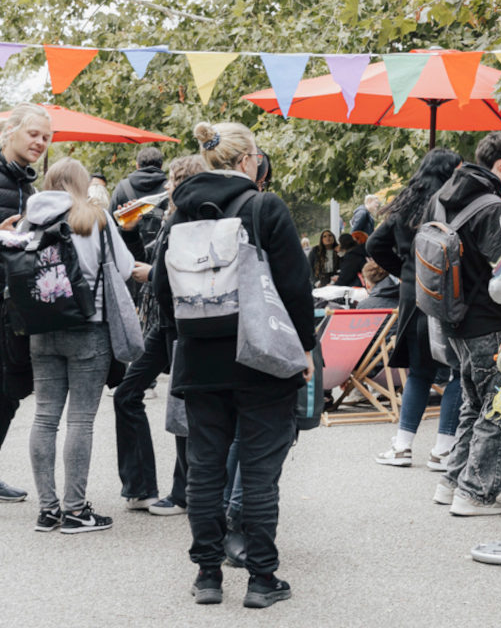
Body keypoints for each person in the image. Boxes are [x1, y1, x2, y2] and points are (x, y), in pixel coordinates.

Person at [153, 121, 315, 609]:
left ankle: (207, 576)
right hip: (262, 359)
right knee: (259, 471)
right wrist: (304, 351)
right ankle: (263, 580)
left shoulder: (178, 213)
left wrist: (188, 341)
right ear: (249, 160)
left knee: (204, 471)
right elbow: (295, 287)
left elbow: (162, 291)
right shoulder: (265, 207)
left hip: (201, 359)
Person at [23, 158, 135, 533]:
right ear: (83, 183)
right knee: (81, 420)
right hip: (89, 326)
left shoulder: (30, 219)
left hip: (42, 328)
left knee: (44, 417)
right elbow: (122, 267)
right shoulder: (96, 219)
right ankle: (75, 510)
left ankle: (47, 509)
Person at [432, 132, 501, 516]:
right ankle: (476, 493)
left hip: (452, 320)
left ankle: (450, 482)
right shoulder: (492, 208)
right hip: (487, 320)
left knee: (473, 403)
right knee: (497, 407)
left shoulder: (443, 199)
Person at [366, 149, 465, 470]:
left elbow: (374, 245)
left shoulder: (406, 202)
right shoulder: (452, 202)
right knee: (456, 370)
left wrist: (406, 268)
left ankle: (403, 447)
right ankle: (442, 450)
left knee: (419, 372)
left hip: (412, 295)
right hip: (446, 293)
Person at [123, 155, 209, 518]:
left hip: (179, 320)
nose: (167, 186)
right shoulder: (168, 218)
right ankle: (141, 487)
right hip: (162, 320)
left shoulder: (190, 217)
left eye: (173, 180)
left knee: (182, 404)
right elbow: (150, 260)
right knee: (127, 393)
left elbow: (186, 269)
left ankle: (183, 493)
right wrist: (127, 231)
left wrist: (152, 272)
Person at [0, 102, 49, 503]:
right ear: (10, 130)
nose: (40, 142)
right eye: (34, 133)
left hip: (12, 306)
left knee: (10, 391)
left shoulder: (27, 186)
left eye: (46, 138)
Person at [110, 145, 168, 263]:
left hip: (130, 257)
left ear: (137, 165)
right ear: (161, 166)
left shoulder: (122, 188)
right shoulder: (169, 189)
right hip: (161, 257)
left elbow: (110, 224)